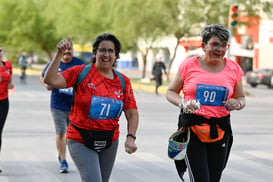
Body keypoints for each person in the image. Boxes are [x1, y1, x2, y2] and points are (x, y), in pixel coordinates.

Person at [44, 33, 139, 182]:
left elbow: (132, 113)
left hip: (109, 140)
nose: (106, 54)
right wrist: (59, 54)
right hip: (80, 138)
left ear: (116, 55)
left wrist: (131, 137)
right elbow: (50, 80)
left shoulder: (123, 81)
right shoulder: (81, 72)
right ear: (95, 53)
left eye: (110, 51)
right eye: (102, 50)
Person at [166, 24, 246, 182]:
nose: (220, 49)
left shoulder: (234, 68)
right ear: (203, 46)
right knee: (201, 179)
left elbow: (241, 97)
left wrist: (237, 103)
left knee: (214, 178)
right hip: (192, 129)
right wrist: (183, 103)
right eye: (215, 44)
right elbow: (170, 92)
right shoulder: (188, 65)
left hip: (220, 130)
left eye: (224, 45)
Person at [40, 42, 85, 173]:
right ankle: (64, 160)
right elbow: (43, 76)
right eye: (65, 50)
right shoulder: (55, 63)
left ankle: (62, 152)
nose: (67, 52)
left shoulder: (80, 64)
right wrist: (46, 84)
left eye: (70, 49)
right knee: (61, 132)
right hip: (57, 105)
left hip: (75, 106)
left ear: (73, 50)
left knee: (72, 135)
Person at [0, 46, 14, 173]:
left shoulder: (8, 65)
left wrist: (10, 84)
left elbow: (11, 83)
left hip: (4, 102)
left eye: (0, 50)